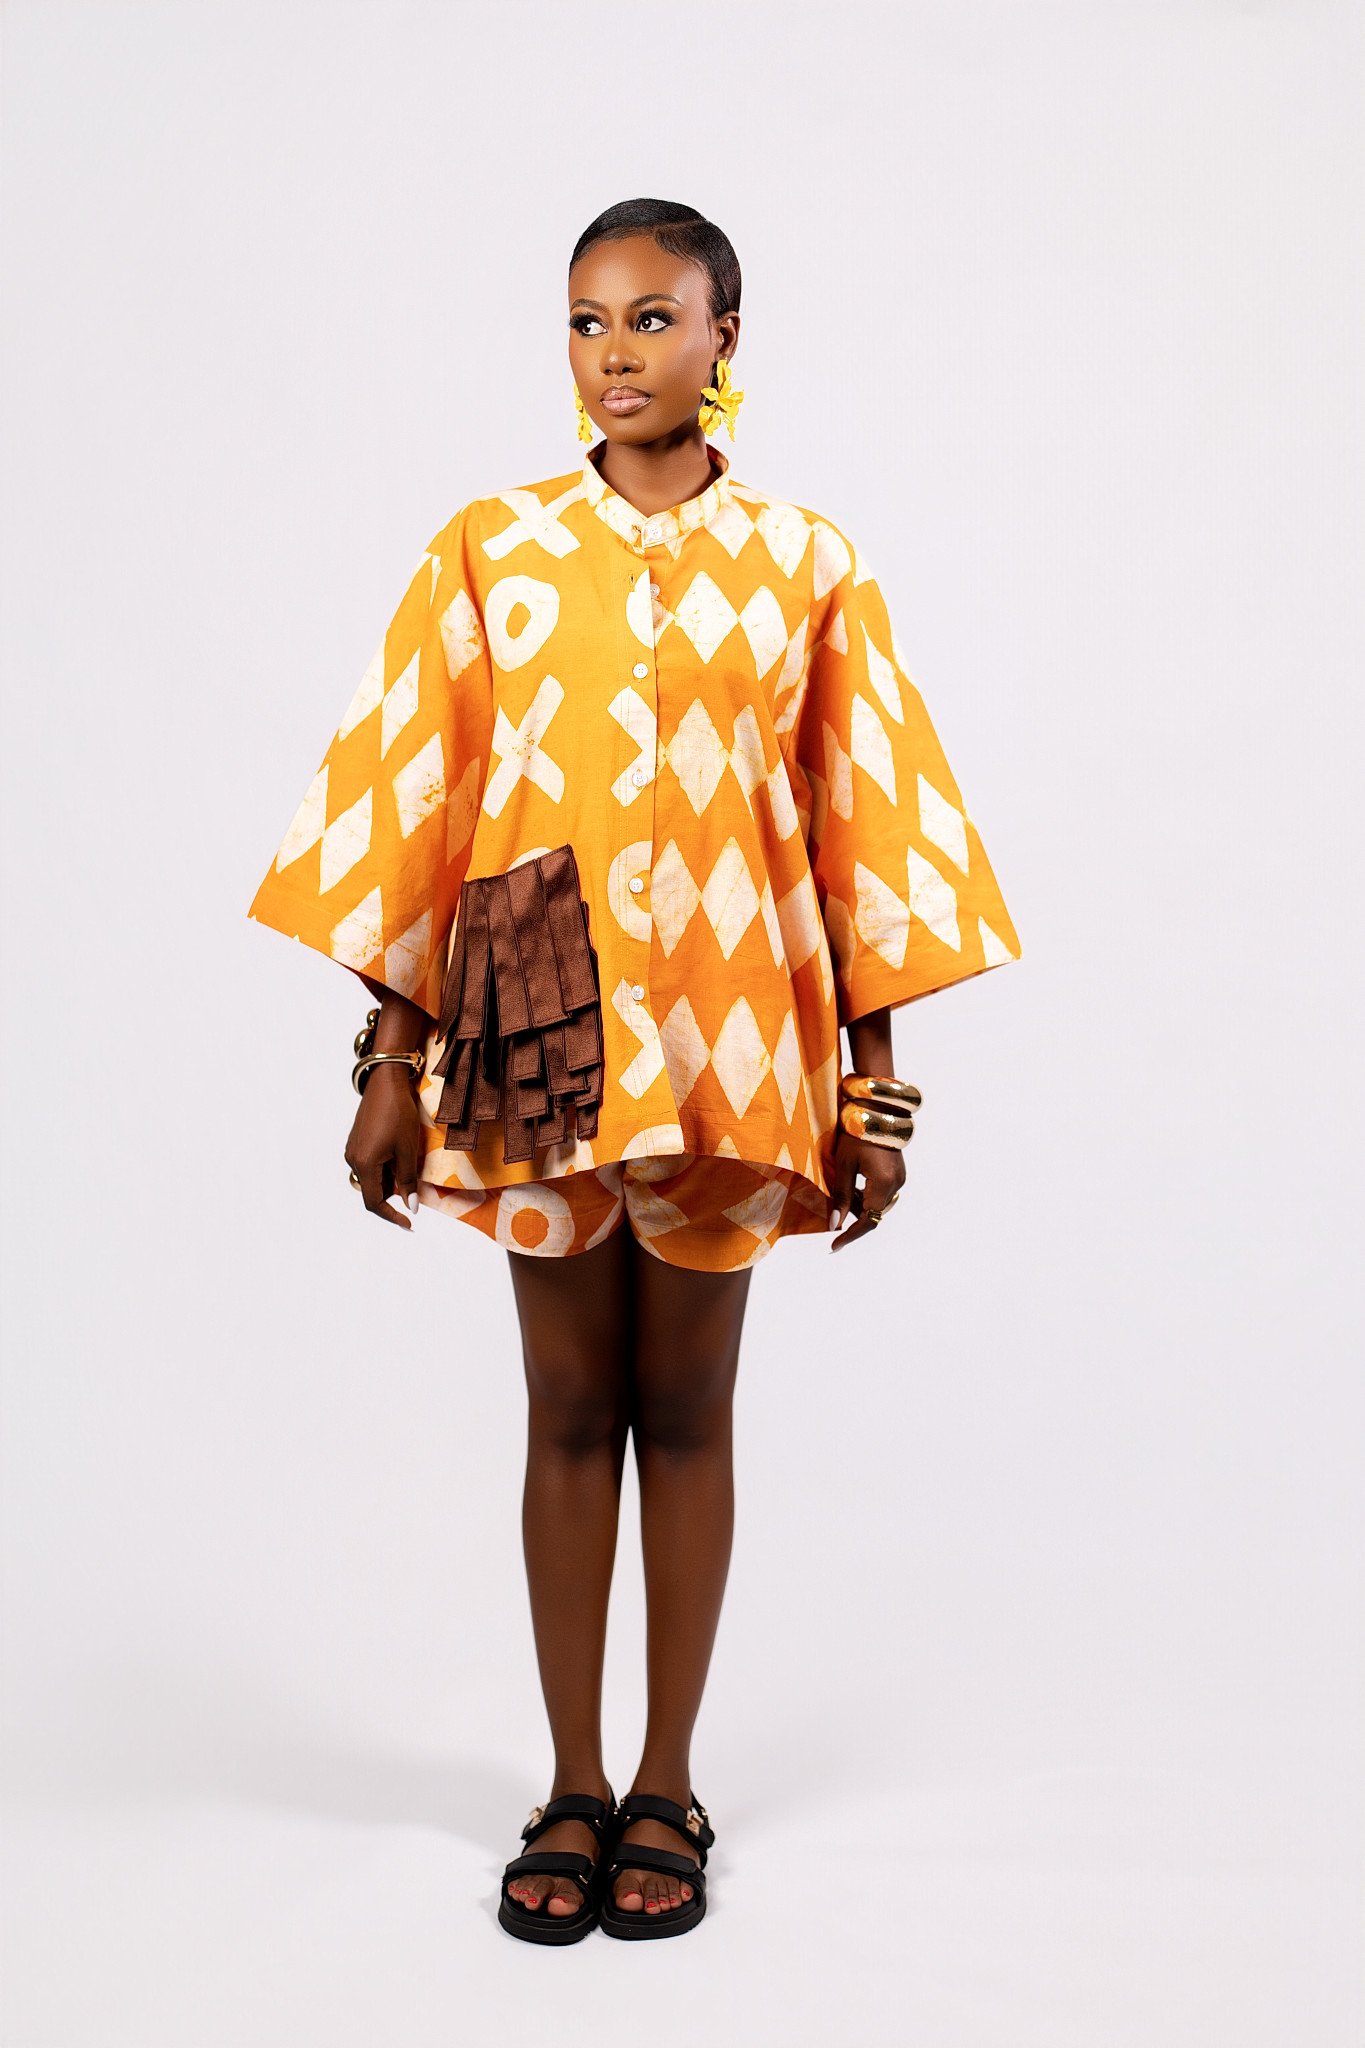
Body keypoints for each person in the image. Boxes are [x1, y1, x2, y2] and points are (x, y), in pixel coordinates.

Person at [247, 196, 1021, 1943]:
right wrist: (390, 1058)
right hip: (530, 996)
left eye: (653, 319)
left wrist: (874, 1094)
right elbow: (421, 799)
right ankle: (572, 1783)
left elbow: (862, 827)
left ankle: (668, 1782)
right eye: (587, 321)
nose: (615, 354)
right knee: (563, 1405)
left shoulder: (806, 563)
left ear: (722, 338)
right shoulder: (489, 550)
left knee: (685, 1403)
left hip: (734, 1015)